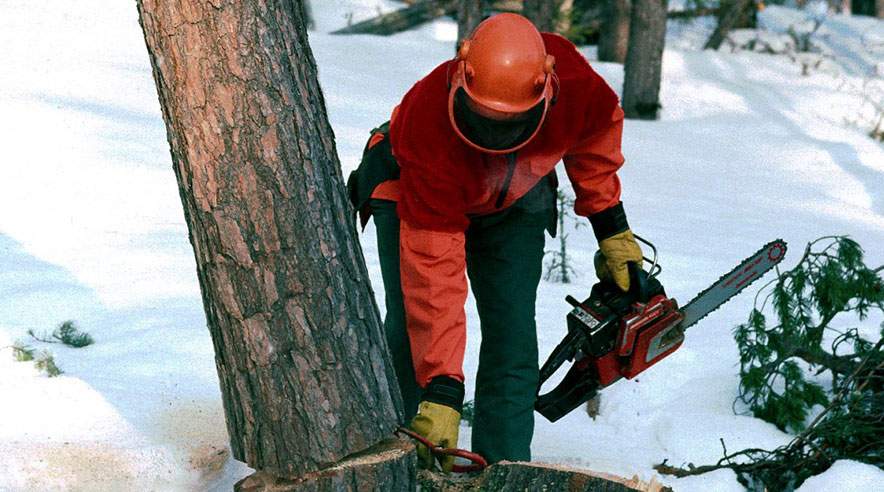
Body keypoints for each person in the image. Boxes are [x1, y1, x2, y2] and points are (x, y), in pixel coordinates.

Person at [347, 13, 643, 471]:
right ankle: (405, 454)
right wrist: (443, 387)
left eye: (508, 123)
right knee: (411, 326)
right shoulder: (428, 120)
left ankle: (503, 466)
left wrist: (611, 225)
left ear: (545, 88)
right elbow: (434, 273)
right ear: (462, 76)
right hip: (414, 184)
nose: (495, 135)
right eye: (485, 120)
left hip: (518, 195)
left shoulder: (575, 83)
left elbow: (596, 137)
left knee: (512, 333)